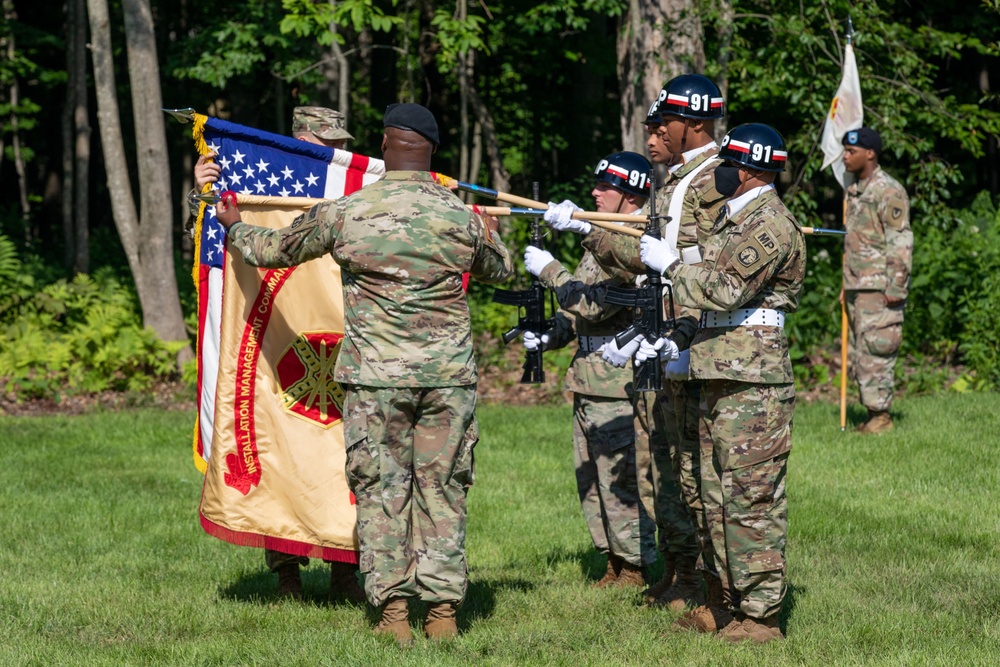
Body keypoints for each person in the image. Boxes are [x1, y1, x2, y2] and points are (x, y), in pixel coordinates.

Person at [214, 103, 514, 645]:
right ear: (431, 150)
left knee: (381, 493)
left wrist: (233, 225)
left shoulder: (348, 211)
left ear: (383, 146)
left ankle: (394, 615)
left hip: (376, 381)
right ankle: (443, 613)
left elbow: (272, 251)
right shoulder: (459, 215)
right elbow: (499, 270)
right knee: (443, 490)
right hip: (447, 380)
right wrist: (490, 232)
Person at [544, 74, 729, 612]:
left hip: (690, 340)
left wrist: (585, 232)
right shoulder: (677, 182)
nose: (652, 136)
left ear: (692, 123)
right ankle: (680, 575)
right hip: (657, 344)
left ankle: (706, 584)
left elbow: (669, 263)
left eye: (661, 125)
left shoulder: (712, 181)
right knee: (658, 473)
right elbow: (648, 259)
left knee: (693, 476)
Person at [189, 105, 364, 603]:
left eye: (339, 144)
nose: (336, 152)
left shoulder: (350, 190)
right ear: (301, 138)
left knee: (338, 447)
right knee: (274, 437)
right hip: (271, 327)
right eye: (327, 142)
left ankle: (345, 568)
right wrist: (204, 192)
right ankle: (285, 569)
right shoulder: (264, 168)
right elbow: (210, 243)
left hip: (335, 323)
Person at [639, 123, 805, 643]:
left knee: (749, 494)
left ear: (750, 169)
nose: (720, 173)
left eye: (728, 163)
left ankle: (760, 615)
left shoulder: (770, 224)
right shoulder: (733, 223)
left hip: (751, 380)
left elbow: (727, 288)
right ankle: (722, 598)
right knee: (708, 491)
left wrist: (671, 266)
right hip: (717, 370)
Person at [522, 151, 658, 589]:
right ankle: (612, 560)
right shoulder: (601, 234)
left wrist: (551, 271)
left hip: (620, 383)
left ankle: (635, 565)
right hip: (588, 377)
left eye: (606, 187)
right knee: (590, 477)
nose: (595, 193)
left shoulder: (635, 242)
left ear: (632, 193)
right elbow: (579, 316)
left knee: (620, 477)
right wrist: (552, 333)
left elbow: (595, 304)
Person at [841, 127, 913, 434]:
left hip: (880, 285)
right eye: (845, 150)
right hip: (858, 285)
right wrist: (845, 287)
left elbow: (900, 239)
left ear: (870, 153)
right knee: (861, 352)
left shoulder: (888, 190)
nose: (845, 156)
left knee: (877, 349)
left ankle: (881, 417)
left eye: (851, 151)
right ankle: (873, 413)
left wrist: (896, 286)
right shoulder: (855, 191)